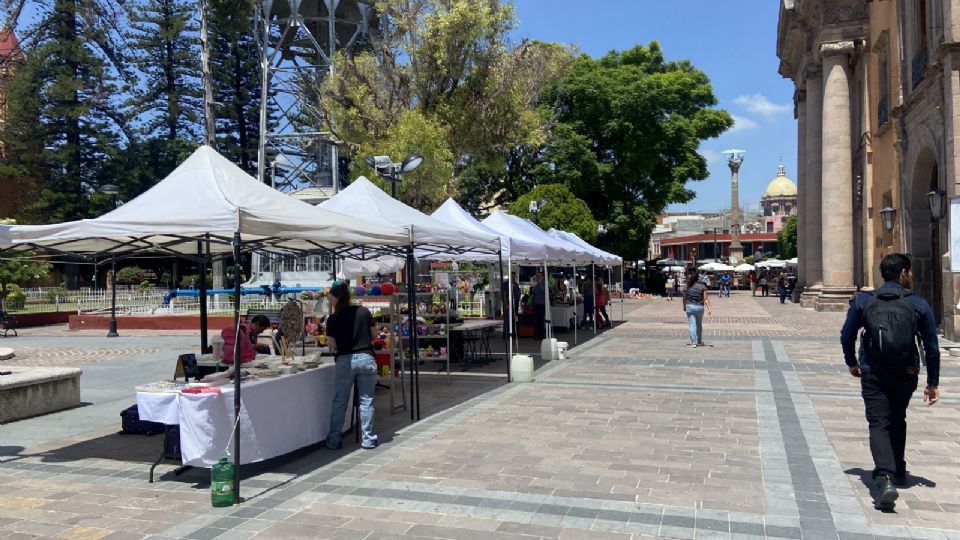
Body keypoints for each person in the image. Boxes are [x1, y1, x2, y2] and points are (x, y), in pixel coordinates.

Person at [840, 253, 940, 511]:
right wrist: (932, 382)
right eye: (910, 272)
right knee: (897, 418)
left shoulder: (864, 301)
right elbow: (931, 347)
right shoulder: (917, 303)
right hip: (906, 372)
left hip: (873, 371)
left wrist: (852, 362)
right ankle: (898, 470)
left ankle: (885, 477)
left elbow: (847, 335)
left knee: (879, 422)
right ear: (904, 273)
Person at [323, 281, 379, 450]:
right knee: (366, 400)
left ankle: (334, 439)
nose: (329, 301)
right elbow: (375, 336)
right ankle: (368, 439)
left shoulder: (333, 319)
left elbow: (332, 345)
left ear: (336, 298)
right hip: (366, 357)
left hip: (345, 360)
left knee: (340, 400)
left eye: (330, 298)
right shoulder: (363, 311)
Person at [682, 273, 711, 347]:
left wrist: (684, 306)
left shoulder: (687, 286)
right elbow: (705, 298)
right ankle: (699, 341)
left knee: (692, 324)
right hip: (700, 307)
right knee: (699, 324)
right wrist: (709, 309)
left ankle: (693, 342)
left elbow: (684, 298)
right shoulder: (702, 287)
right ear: (698, 279)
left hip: (690, 306)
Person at [532, 273, 546, 340]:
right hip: (536, 305)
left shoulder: (544, 285)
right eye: (537, 276)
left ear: (543, 277)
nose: (538, 278)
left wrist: (540, 283)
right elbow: (534, 295)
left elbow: (544, 291)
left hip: (541, 305)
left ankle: (541, 334)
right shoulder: (536, 285)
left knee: (540, 320)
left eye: (540, 276)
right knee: (536, 321)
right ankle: (536, 335)